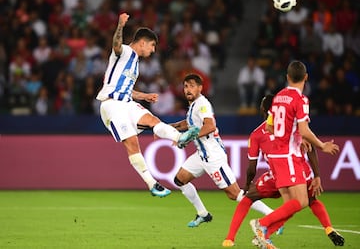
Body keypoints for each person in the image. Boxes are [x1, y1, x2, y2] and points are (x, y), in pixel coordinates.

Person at [96, 13, 200, 198]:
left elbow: (126, 88)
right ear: (142, 43)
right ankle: (152, 183)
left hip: (126, 103)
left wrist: (143, 96)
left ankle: (180, 137)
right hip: (111, 105)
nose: (153, 50)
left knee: (153, 120)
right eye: (152, 46)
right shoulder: (125, 52)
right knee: (132, 143)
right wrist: (120, 25)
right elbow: (116, 45)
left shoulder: (135, 64)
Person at [222, 94, 344, 247]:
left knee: (249, 198)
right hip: (298, 170)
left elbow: (252, 166)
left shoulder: (256, 134)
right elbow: (311, 148)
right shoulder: (293, 125)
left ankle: (231, 238)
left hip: (276, 175)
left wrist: (247, 185)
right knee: (304, 201)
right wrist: (316, 174)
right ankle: (328, 228)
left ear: (264, 110)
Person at [249, 60, 340, 249]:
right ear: (306, 77)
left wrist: (293, 135)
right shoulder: (301, 100)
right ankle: (261, 224)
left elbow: (269, 126)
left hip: (276, 156)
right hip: (288, 156)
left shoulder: (279, 96)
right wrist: (322, 146)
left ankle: (264, 235)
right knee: (302, 201)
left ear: (287, 77)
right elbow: (305, 130)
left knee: (292, 204)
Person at [170, 74, 274, 227]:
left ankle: (271, 214)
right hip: (201, 155)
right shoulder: (193, 106)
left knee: (234, 194)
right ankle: (203, 214)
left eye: (192, 86)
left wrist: (187, 138)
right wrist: (171, 127)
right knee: (180, 179)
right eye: (186, 86)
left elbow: (210, 126)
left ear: (200, 88)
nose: (188, 89)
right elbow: (190, 123)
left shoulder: (202, 104)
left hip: (213, 156)